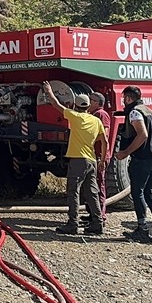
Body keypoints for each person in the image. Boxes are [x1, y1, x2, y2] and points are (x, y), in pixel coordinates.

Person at [42, 82, 106, 235]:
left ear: (76, 106)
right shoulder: (96, 121)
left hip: (78, 160)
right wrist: (102, 160)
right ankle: (97, 223)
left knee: (74, 192)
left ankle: (73, 224)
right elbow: (105, 141)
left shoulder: (75, 117)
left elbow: (56, 104)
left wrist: (49, 91)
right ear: (88, 105)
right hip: (92, 160)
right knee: (91, 193)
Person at [115, 85, 152, 245]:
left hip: (143, 158)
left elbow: (142, 134)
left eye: (124, 98)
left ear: (129, 98)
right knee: (150, 193)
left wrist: (126, 152)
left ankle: (142, 229)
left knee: (138, 193)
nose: (123, 102)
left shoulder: (135, 112)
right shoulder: (149, 110)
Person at [83, 91, 111, 228]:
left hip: (99, 155)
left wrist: (102, 158)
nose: (88, 101)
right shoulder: (93, 115)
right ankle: (92, 214)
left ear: (96, 102)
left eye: (91, 99)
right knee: (91, 186)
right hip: (94, 155)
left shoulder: (101, 115)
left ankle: (100, 216)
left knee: (99, 186)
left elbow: (104, 135)